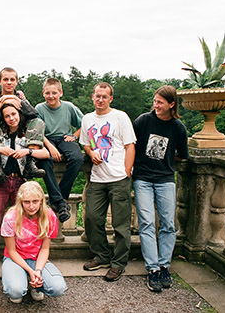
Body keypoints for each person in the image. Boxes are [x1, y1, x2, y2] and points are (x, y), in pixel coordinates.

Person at [0, 103, 50, 278]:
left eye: (14, 114)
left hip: (20, 181)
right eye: (7, 116)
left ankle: (24, 258)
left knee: (23, 219)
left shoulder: (26, 136)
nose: (11, 118)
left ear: (19, 114)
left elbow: (45, 154)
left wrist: (28, 152)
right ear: (3, 118)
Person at [133, 85, 189, 292]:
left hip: (166, 179)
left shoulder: (178, 127)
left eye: (160, 102)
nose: (155, 105)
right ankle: (153, 269)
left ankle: (164, 265)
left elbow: (182, 154)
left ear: (171, 104)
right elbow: (131, 145)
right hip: (143, 178)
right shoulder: (143, 121)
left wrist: (166, 161)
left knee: (168, 223)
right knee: (146, 222)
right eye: (155, 101)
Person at [79, 82, 136, 282]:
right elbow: (86, 143)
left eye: (105, 96)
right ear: (93, 97)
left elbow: (130, 146)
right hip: (97, 178)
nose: (100, 99)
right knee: (92, 219)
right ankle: (102, 256)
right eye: (97, 96)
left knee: (121, 225)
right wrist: (91, 152)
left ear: (110, 99)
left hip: (118, 178)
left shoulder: (120, 117)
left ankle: (118, 263)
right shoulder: (87, 119)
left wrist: (126, 172)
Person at [0, 181, 66, 303]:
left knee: (58, 288)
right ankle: (21, 282)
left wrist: (38, 271)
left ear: (41, 201)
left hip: (37, 258)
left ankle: (37, 285)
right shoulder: (11, 217)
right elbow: (12, 251)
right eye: (27, 202)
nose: (31, 206)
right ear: (21, 202)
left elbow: (45, 249)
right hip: (15, 257)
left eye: (35, 201)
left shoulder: (49, 216)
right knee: (15, 291)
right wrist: (31, 271)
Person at [0, 67, 45, 181]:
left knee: (38, 122)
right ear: (0, 81)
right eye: (5, 79)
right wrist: (0, 103)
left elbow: (34, 115)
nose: (9, 82)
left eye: (12, 79)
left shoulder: (20, 97)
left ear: (16, 81)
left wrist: (16, 100)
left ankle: (31, 163)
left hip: (18, 133)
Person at [36, 78, 84, 223]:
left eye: (54, 93)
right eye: (48, 93)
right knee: (45, 160)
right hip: (46, 139)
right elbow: (37, 132)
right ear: (43, 93)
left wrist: (74, 136)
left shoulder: (69, 107)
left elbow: (85, 124)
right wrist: (50, 147)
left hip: (64, 138)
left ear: (60, 93)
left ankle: (59, 198)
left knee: (77, 158)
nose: (51, 96)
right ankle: (61, 203)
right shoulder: (39, 108)